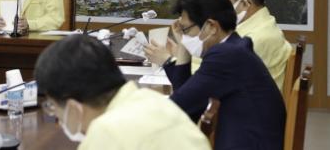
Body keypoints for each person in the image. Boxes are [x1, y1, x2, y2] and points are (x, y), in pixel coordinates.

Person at [145, 0, 285, 150]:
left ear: (211, 27)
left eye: (185, 29)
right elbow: (188, 106)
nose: (184, 36)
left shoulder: (226, 56)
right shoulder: (234, 47)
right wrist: (183, 45)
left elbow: (177, 108)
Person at [34, 34, 211, 150]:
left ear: (73, 107)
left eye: (53, 107)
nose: (58, 120)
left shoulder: (106, 132)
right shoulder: (152, 100)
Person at [220, 0, 292, 90]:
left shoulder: (255, 39)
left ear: (243, 4)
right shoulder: (264, 24)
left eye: (223, 0)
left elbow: (215, 76)